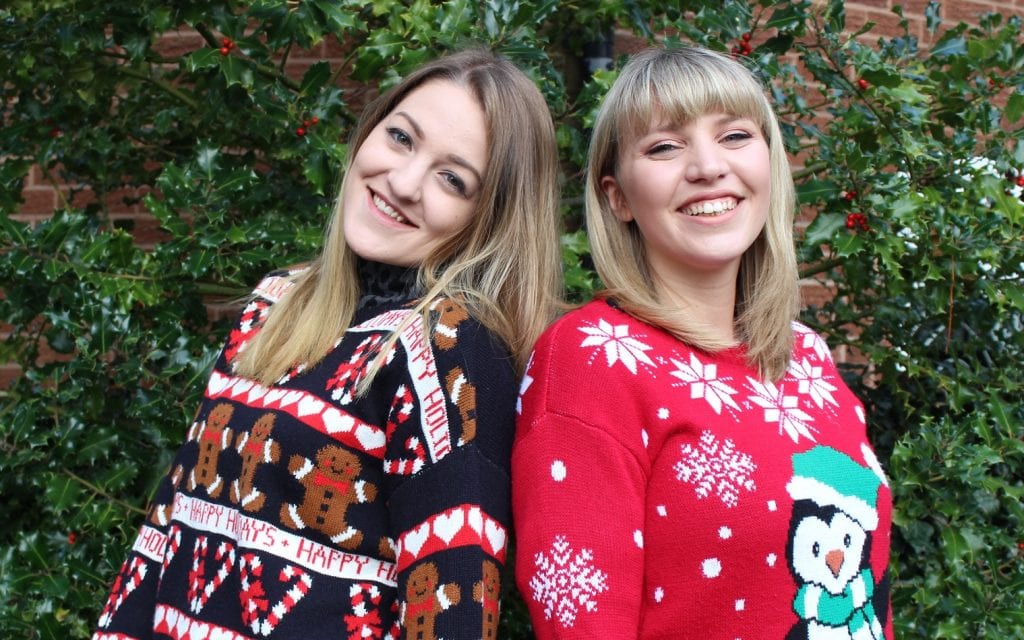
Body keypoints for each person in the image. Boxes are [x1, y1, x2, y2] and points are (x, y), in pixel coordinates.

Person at [93, 47, 561, 640]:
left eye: (452, 178)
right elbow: (170, 522)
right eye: (400, 138)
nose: (405, 181)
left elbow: (453, 607)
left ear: (489, 218)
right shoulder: (277, 301)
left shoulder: (447, 348)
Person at [512, 45, 893, 639]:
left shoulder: (809, 359)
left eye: (736, 136)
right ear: (617, 197)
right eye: (665, 146)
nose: (709, 167)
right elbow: (579, 611)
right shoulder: (592, 357)